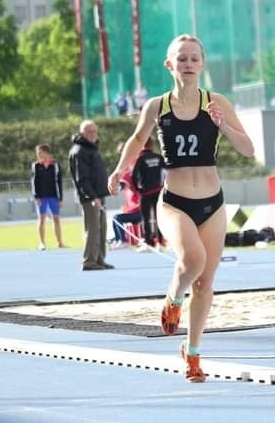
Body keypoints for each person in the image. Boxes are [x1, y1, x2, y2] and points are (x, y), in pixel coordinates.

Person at [107, 34, 254, 383]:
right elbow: (137, 139)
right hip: (174, 202)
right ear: (169, 65)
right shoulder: (157, 106)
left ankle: (193, 354)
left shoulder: (216, 102)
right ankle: (173, 298)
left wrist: (223, 124)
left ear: (202, 64)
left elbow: (247, 148)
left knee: (204, 283)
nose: (188, 64)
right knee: (192, 261)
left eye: (194, 59)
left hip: (212, 203)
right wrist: (118, 170)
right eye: (181, 59)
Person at [69, 120, 114, 271]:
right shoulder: (79, 151)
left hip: (99, 195)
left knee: (102, 228)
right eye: (89, 132)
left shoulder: (92, 149)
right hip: (90, 197)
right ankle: (88, 261)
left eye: (95, 131)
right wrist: (92, 196)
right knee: (92, 229)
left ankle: (99, 259)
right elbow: (81, 178)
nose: (93, 135)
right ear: (82, 133)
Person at [131, 137, 165, 248]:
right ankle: (160, 241)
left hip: (146, 192)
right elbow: (166, 173)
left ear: (142, 145)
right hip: (158, 191)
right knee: (159, 217)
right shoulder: (159, 158)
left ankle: (149, 242)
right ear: (152, 145)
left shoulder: (140, 159)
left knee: (146, 218)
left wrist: (137, 189)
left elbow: (134, 177)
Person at [31, 144, 65, 250]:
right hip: (41, 197)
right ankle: (42, 243)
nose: (38, 155)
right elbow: (34, 182)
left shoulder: (55, 165)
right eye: (37, 153)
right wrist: (36, 196)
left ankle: (59, 242)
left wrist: (60, 199)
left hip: (54, 196)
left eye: (40, 153)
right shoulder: (36, 165)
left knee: (56, 219)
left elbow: (59, 182)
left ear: (46, 152)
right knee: (41, 219)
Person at [109, 166, 142, 249]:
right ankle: (118, 240)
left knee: (117, 218)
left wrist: (117, 188)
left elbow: (123, 184)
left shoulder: (129, 174)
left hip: (139, 212)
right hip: (137, 212)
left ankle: (123, 241)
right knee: (117, 218)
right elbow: (123, 185)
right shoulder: (132, 181)